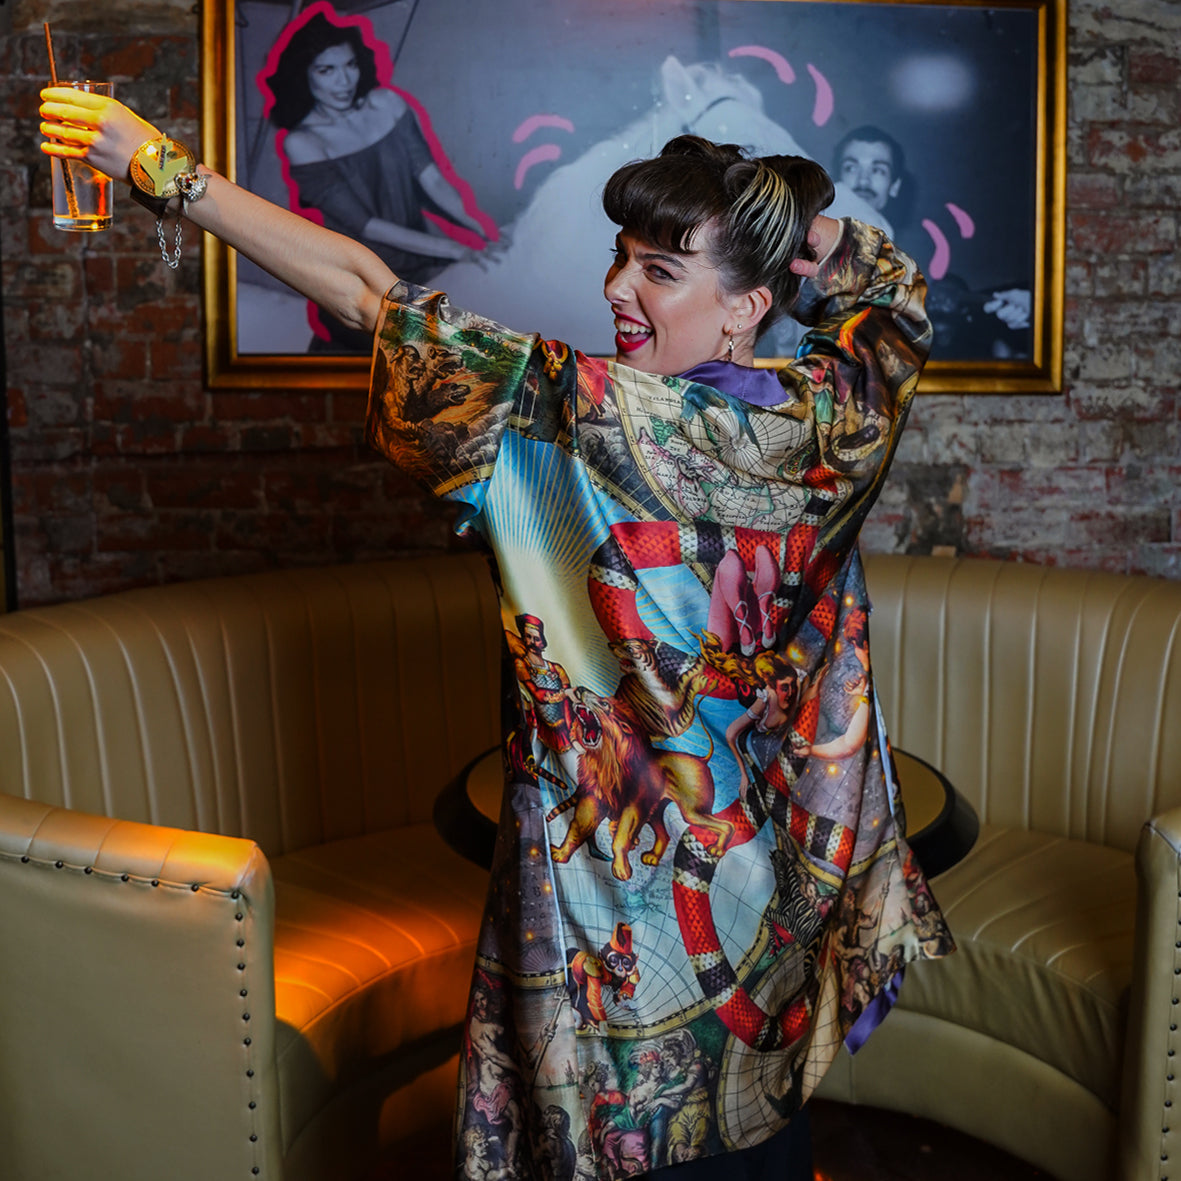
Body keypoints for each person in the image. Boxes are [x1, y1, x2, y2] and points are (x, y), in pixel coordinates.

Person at [39, 83, 954, 1181]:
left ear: (747, 303)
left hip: (615, 941)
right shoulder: (830, 417)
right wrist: (797, 223)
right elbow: (892, 316)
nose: (617, 288)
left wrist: (165, 172)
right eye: (621, 255)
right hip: (770, 922)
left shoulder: (577, 416)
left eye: (660, 271)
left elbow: (368, 293)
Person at [260, 7, 494, 351]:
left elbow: (431, 179)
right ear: (303, 76)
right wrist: (455, 249)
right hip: (359, 283)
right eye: (327, 70)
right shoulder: (304, 141)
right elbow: (367, 225)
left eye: (349, 65)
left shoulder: (388, 103)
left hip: (423, 265)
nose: (344, 81)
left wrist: (481, 232)